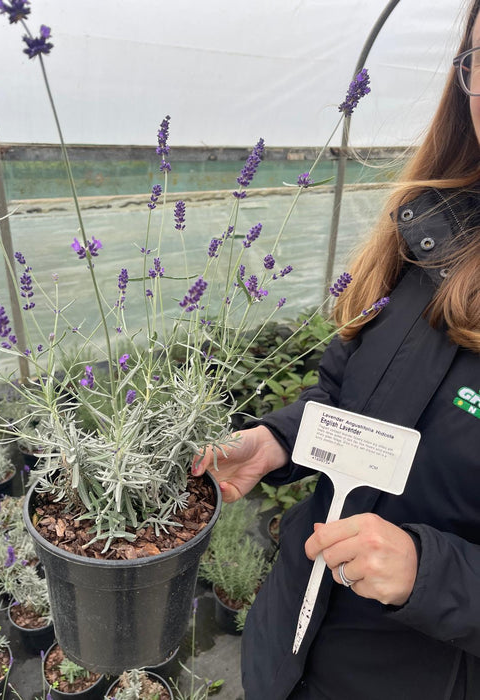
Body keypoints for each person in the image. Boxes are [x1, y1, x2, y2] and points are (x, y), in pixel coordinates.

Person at [192, 1, 480, 698]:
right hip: (292, 633)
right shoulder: (434, 233)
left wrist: (426, 570)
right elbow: (353, 392)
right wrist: (278, 441)